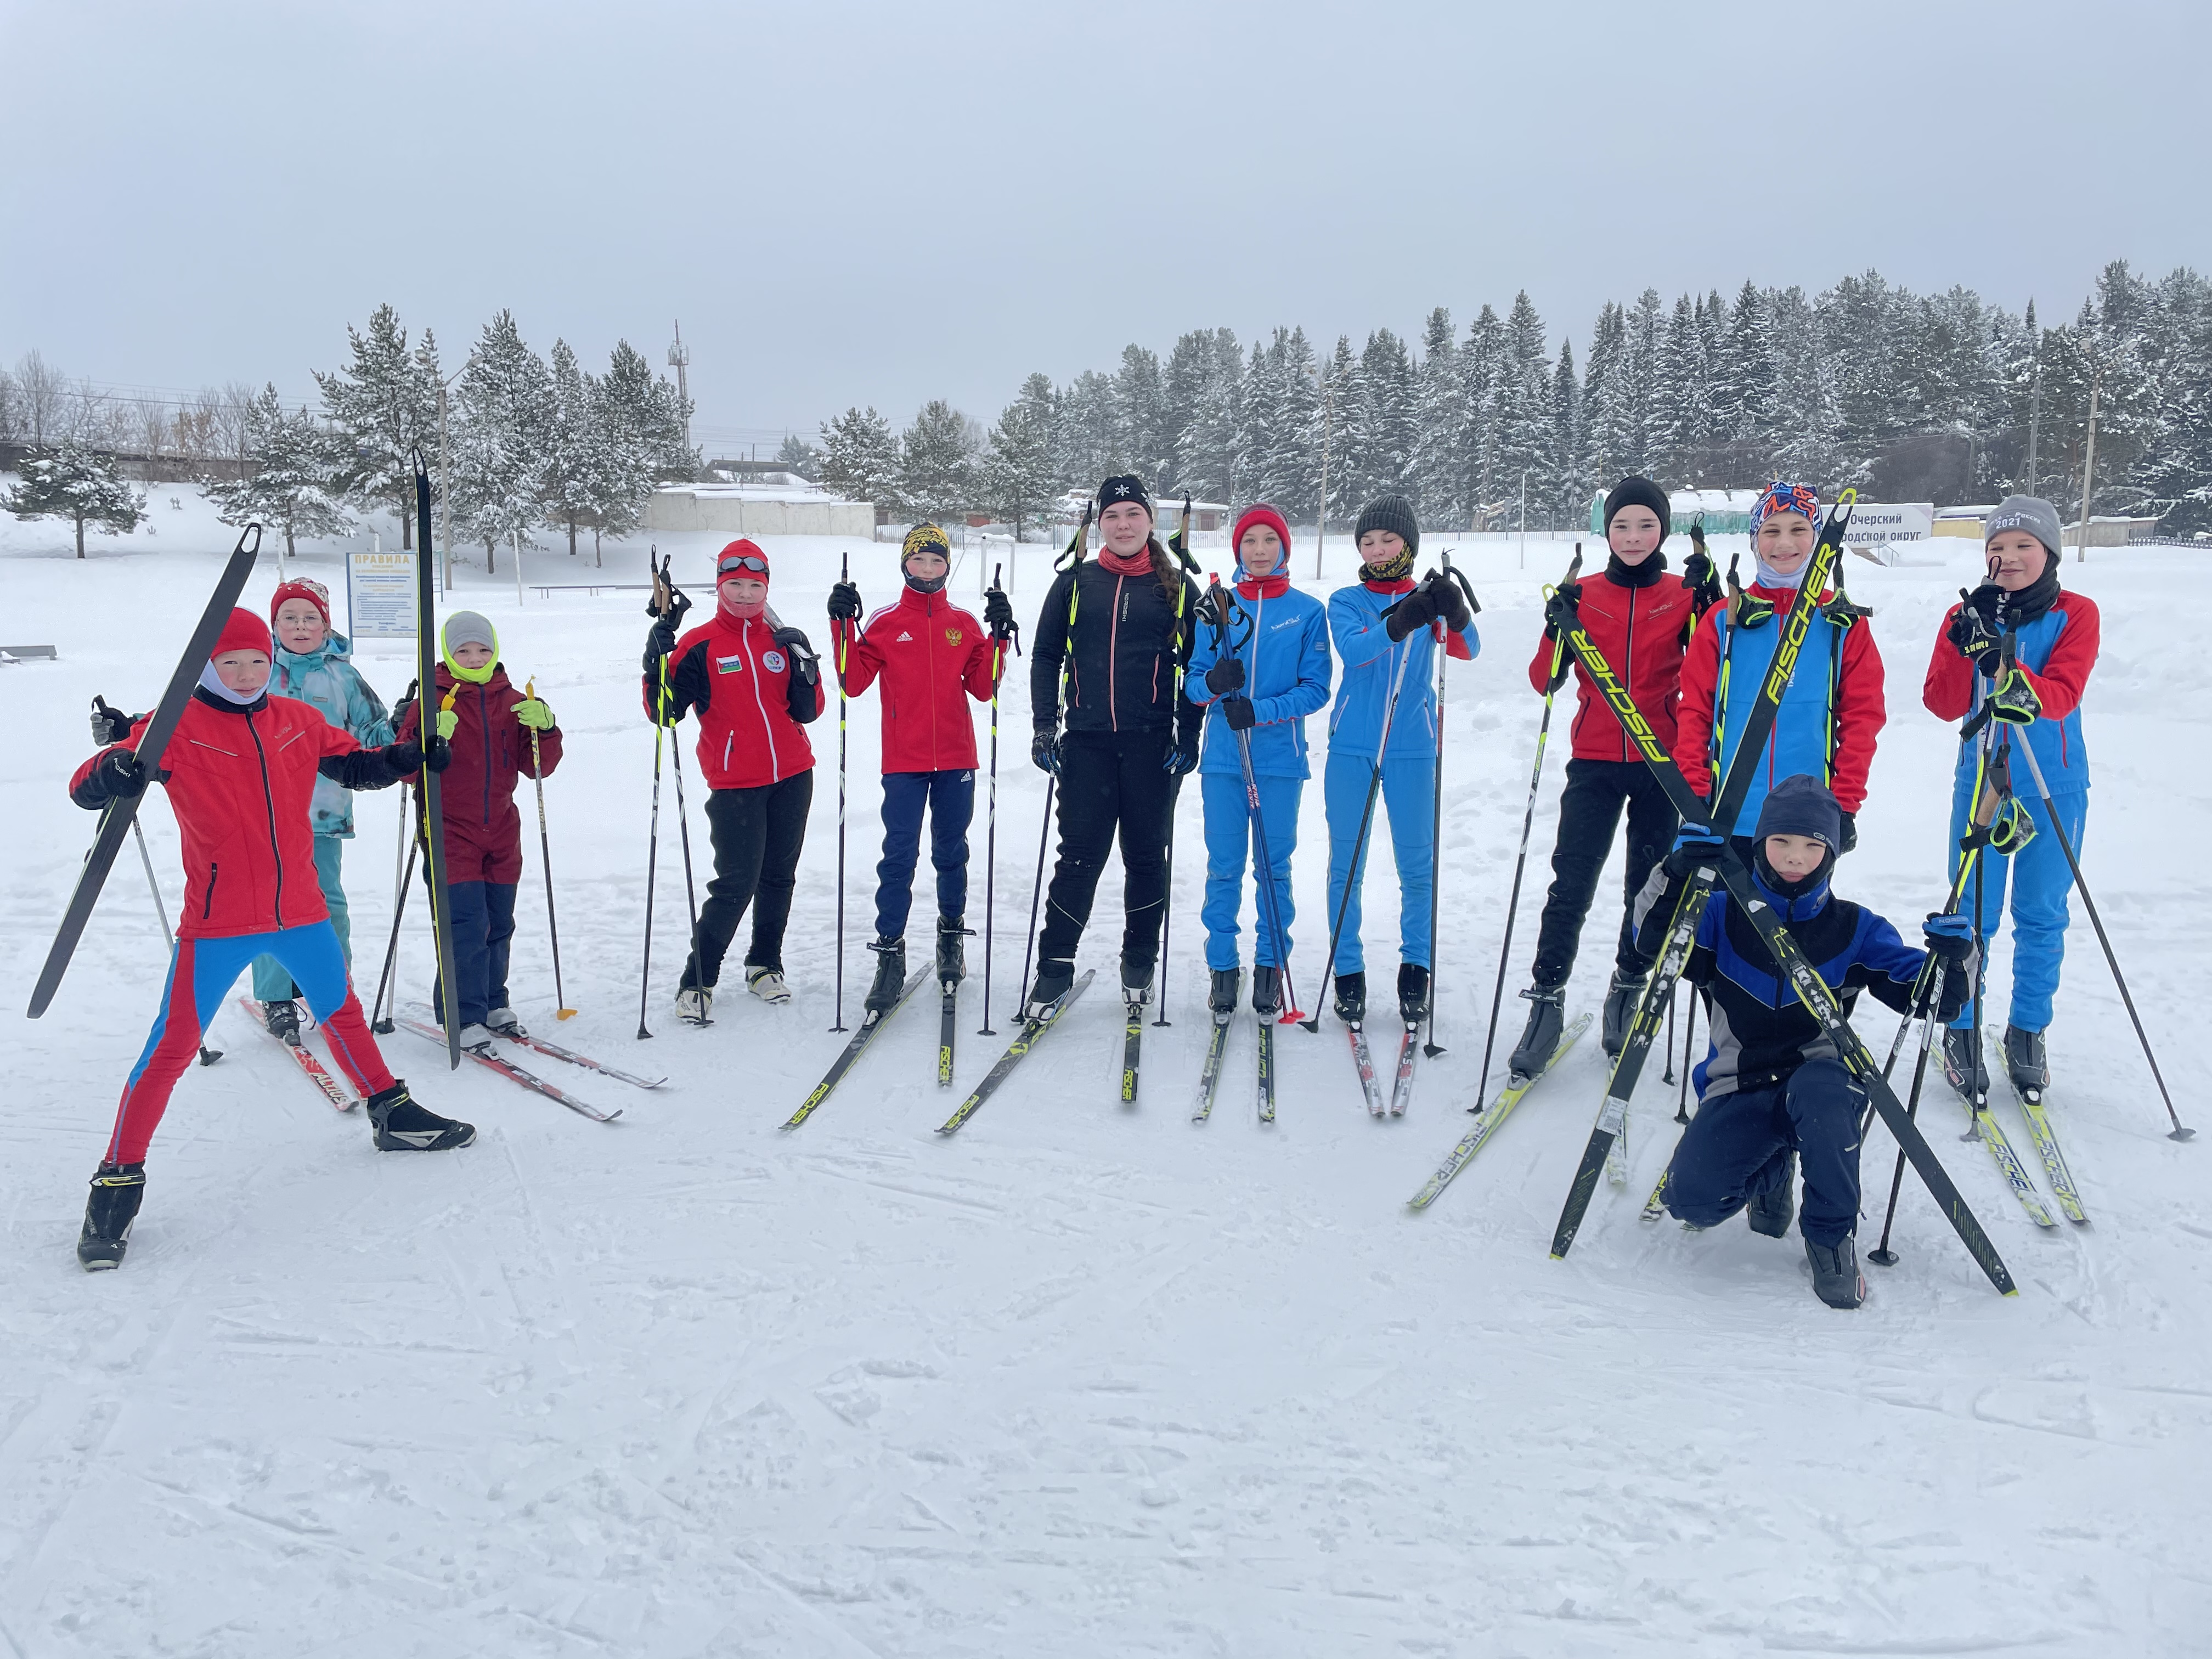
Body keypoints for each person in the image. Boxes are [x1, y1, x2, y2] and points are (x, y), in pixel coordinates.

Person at [67, 607, 472, 1271]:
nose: (247, 674)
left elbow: (356, 767)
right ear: (207, 667)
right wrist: (110, 775)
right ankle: (117, 1181)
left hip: (301, 911)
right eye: (231, 663)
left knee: (340, 1010)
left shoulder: (295, 719)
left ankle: (392, 1114)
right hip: (218, 921)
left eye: (257, 661)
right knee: (169, 1049)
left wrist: (406, 758)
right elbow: (90, 783)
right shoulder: (173, 727)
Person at [1643, 775, 1975, 1310]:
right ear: (1760, 844)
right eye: (1782, 843)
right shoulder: (1719, 916)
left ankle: (1829, 1236)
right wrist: (1674, 873)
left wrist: (1956, 956)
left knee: (1824, 1092)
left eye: (1812, 845)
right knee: (1693, 1204)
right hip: (1739, 1083)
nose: (1795, 858)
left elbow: (1937, 1002)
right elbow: (1650, 949)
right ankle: (1773, 1165)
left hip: (1820, 1081)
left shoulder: (1855, 929)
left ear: (1831, 851)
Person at [1510, 477, 1719, 1072]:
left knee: (1647, 889)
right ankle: (1546, 997)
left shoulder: (1681, 594)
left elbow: (1713, 668)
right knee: (1570, 884)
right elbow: (1544, 680)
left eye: (1646, 526)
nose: (1633, 537)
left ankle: (1628, 985)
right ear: (1607, 530)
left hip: (1662, 765)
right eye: (1622, 526)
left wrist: (1708, 608)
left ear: (1664, 532)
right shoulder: (1587, 592)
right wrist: (1558, 626)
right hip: (1596, 762)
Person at [1921, 495, 2099, 1099]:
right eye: (1997, 547)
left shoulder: (2077, 612)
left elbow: (2061, 693)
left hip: (2054, 784)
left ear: (2048, 552)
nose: (2010, 557)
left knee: (2043, 913)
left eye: (2024, 546)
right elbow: (1943, 703)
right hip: (1983, 782)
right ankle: (1963, 1026)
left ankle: (2027, 1029)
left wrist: (2004, 668)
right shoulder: (1970, 611)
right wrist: (1961, 640)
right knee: (1973, 913)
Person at [1026, 475, 1202, 1018]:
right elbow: (1046, 655)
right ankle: (1055, 968)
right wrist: (1042, 725)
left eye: (1133, 515)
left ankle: (1139, 961)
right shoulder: (1075, 583)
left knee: (1146, 857)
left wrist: (1188, 734)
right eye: (1113, 517)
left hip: (1153, 747)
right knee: (1078, 858)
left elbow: (1195, 666)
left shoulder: (1175, 586)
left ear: (1151, 521)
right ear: (1098, 524)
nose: (1123, 525)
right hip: (1086, 744)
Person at [826, 524, 1010, 1009]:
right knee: (899, 858)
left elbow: (985, 687)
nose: (928, 570)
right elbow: (853, 680)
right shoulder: (886, 623)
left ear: (947, 567)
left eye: (937, 562)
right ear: (904, 564)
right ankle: (891, 954)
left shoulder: (964, 623)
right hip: (904, 761)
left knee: (951, 853)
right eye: (919, 561)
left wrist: (998, 636)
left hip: (956, 759)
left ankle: (951, 937)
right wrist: (842, 623)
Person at [641, 539, 824, 1018]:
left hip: (793, 774)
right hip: (735, 781)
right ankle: (697, 981)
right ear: (721, 587)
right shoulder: (700, 645)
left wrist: (807, 667)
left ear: (766, 588)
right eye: (735, 585)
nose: (745, 595)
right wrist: (654, 662)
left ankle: (765, 965)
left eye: (754, 586)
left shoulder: (782, 638)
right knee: (736, 882)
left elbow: (810, 711)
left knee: (778, 878)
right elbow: (665, 713)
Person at [1320, 493, 1477, 1028]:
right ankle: (1348, 969)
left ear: (1408, 542)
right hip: (1353, 747)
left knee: (1416, 863)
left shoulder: (1427, 597)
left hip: (1412, 744)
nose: (1378, 548)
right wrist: (1400, 620)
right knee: (1348, 863)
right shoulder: (1345, 600)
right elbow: (1357, 651)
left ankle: (1416, 968)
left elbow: (1468, 648)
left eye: (1388, 539)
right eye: (1367, 540)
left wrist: (1451, 609)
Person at [1672, 479, 1885, 860]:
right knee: (1718, 919)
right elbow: (1695, 711)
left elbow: (1862, 718)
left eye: (1799, 530)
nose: (1784, 544)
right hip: (1727, 813)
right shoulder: (1724, 619)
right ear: (1755, 541)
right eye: (1771, 531)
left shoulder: (1842, 623)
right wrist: (1694, 791)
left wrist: (1845, 802)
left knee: (1793, 920)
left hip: (1804, 823)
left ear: (1818, 538)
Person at [1183, 504, 1331, 1019]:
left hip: (1279, 762)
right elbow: (1193, 682)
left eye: (1270, 540)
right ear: (1238, 550)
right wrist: (1214, 685)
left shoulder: (1308, 612)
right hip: (1224, 761)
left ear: (1285, 547)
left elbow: (1317, 689)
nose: (1261, 550)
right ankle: (1223, 966)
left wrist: (1260, 710)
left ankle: (1270, 965)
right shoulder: (1218, 608)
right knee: (1224, 867)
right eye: (1250, 542)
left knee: (1273, 869)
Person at [393, 611, 563, 1050]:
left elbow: (535, 767)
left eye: (482, 650)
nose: (474, 658)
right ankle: (461, 1013)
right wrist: (425, 741)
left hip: (503, 829)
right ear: (448, 654)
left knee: (499, 921)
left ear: (495, 652)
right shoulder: (430, 700)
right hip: (449, 828)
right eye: (463, 651)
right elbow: (405, 769)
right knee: (464, 923)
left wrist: (545, 728)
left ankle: (492, 1001)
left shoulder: (512, 699)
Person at [244, 578, 394, 1042]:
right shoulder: (254, 671)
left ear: (326, 625)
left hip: (323, 815)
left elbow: (376, 734)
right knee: (269, 906)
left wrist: (405, 725)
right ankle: (277, 998)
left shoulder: (343, 677)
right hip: (260, 814)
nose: (300, 626)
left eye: (310, 618)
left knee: (327, 903)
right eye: (289, 617)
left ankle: (333, 990)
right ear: (274, 625)